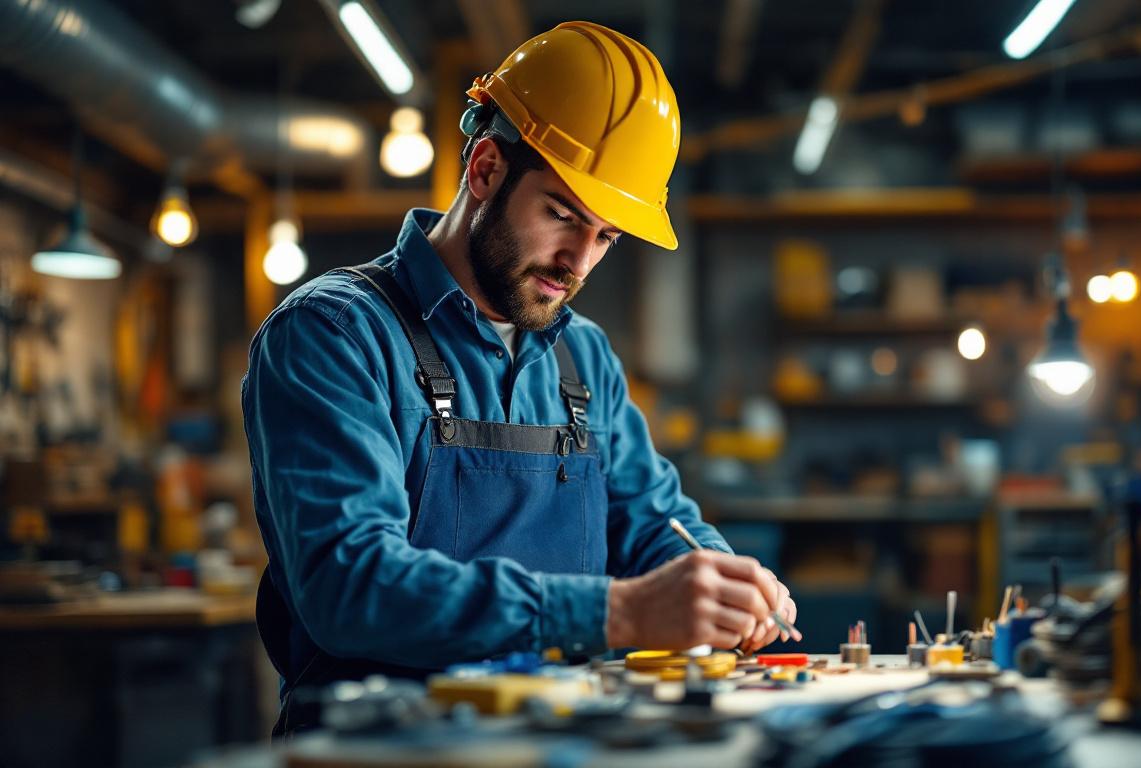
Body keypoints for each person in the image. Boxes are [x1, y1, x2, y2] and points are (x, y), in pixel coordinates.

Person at [242, 21, 800, 734]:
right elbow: (352, 583)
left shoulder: (584, 357)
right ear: (484, 170)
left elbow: (651, 520)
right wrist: (619, 613)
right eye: (562, 216)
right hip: (379, 747)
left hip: (556, 741)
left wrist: (722, 582)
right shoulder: (334, 334)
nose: (579, 262)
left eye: (605, 236)